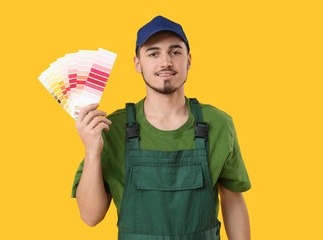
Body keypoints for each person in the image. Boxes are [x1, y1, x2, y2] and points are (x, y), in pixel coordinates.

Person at [71, 15, 251, 240]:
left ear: (188, 60)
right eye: (153, 53)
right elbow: (90, 217)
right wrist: (91, 151)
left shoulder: (219, 124)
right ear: (138, 63)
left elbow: (233, 201)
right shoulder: (111, 128)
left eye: (175, 52)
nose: (165, 61)